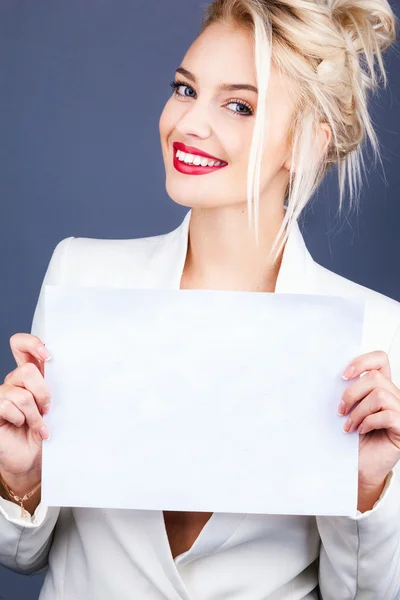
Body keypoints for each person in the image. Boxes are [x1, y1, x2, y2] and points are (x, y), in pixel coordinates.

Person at [1, 0, 400, 598]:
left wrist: (368, 490)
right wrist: (19, 477)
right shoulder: (82, 277)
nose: (188, 124)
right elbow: (22, 557)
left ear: (309, 143)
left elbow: (364, 594)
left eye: (239, 105)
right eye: (185, 89)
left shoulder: (375, 335)